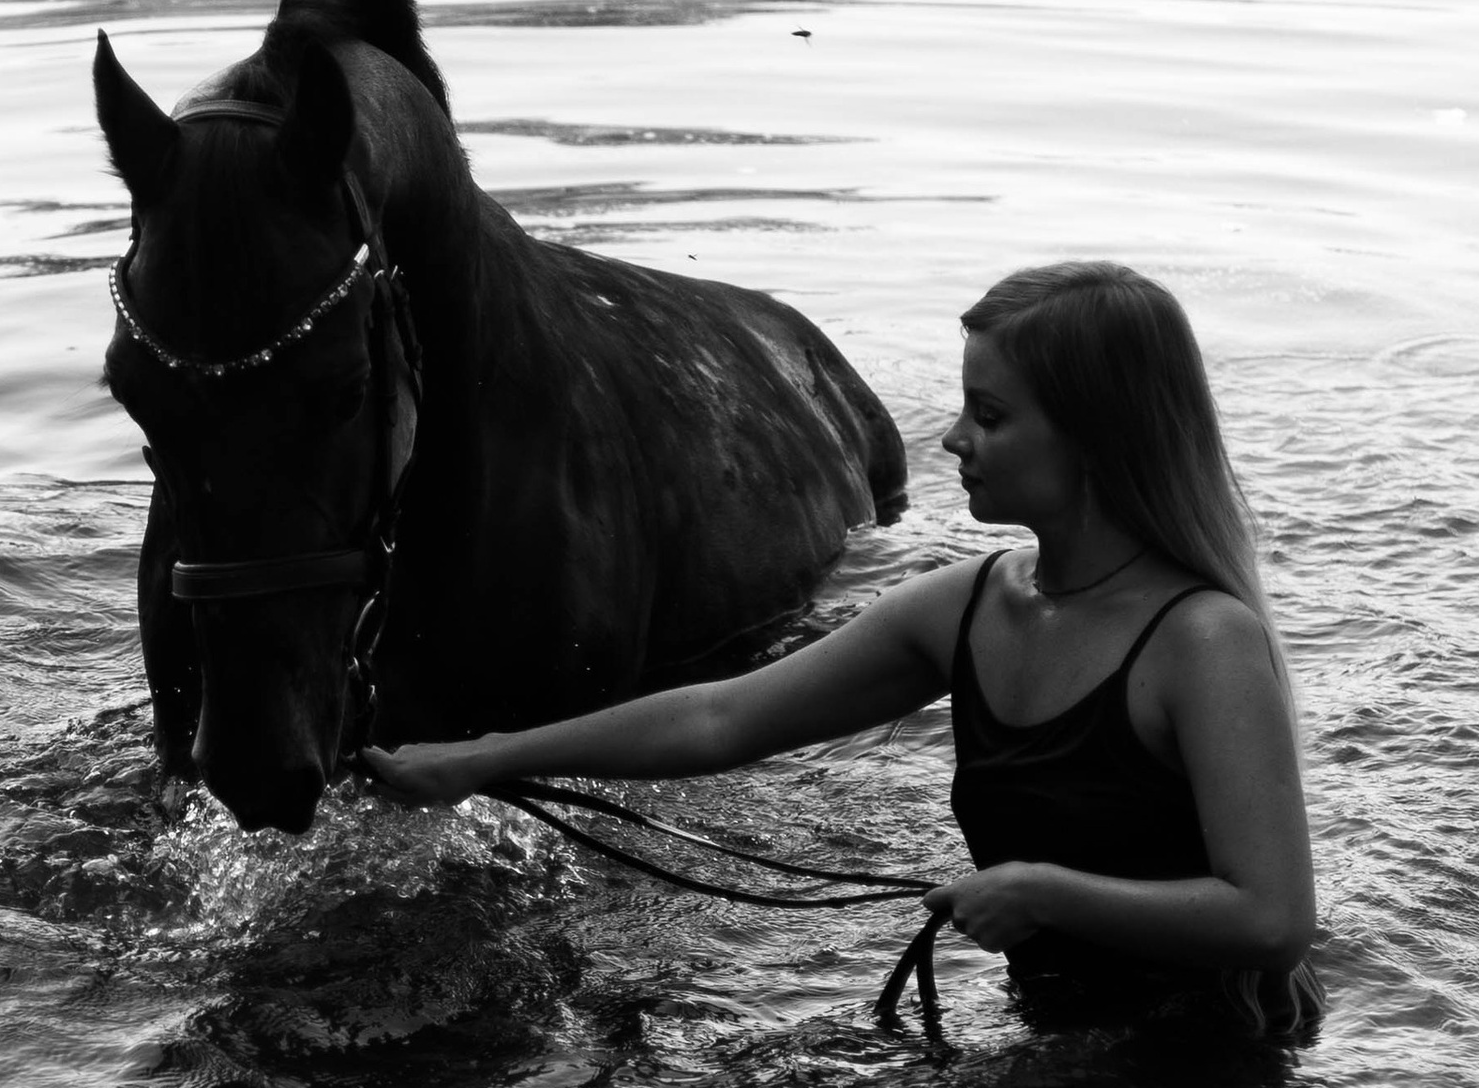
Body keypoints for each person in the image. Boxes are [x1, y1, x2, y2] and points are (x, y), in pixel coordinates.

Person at [364, 261, 1320, 1039]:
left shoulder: (1202, 641)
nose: (950, 439)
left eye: (991, 416)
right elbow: (720, 716)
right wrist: (479, 759)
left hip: (1213, 1060)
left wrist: (1044, 892)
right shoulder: (968, 606)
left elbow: (1272, 920)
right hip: (1054, 1031)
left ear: (1100, 441)